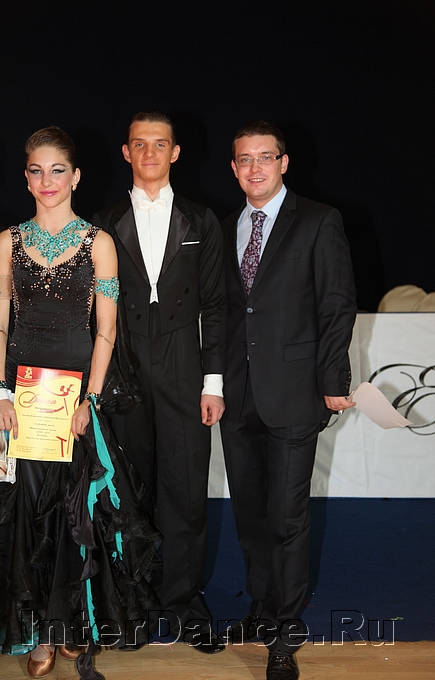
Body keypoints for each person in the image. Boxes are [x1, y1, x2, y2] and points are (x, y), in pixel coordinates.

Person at [0, 126, 160, 679]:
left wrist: (92, 399)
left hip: (74, 401)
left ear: (76, 176)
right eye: (37, 171)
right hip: (18, 399)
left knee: (72, 514)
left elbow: (106, 331)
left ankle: (65, 627)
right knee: (22, 516)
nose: (47, 181)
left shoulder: (98, 243)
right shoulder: (8, 242)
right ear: (26, 178)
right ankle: (35, 631)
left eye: (58, 170)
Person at [219, 121, 357, 680]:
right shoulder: (225, 227)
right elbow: (227, 314)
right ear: (234, 168)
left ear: (283, 163)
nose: (254, 168)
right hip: (237, 395)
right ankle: (260, 603)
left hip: (296, 392)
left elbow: (337, 305)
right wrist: (213, 385)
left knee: (288, 515)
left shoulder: (319, 221)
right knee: (250, 511)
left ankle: (284, 631)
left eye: (265, 157)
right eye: (244, 159)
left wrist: (333, 380)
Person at [92, 110, 226, 653]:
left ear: (175, 152)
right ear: (126, 152)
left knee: (187, 491)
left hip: (183, 367)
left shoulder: (202, 220)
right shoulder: (102, 222)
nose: (150, 153)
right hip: (124, 368)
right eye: (139, 144)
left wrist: (213, 383)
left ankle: (185, 605)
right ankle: (133, 604)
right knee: (130, 491)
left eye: (160, 144)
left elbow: (216, 306)